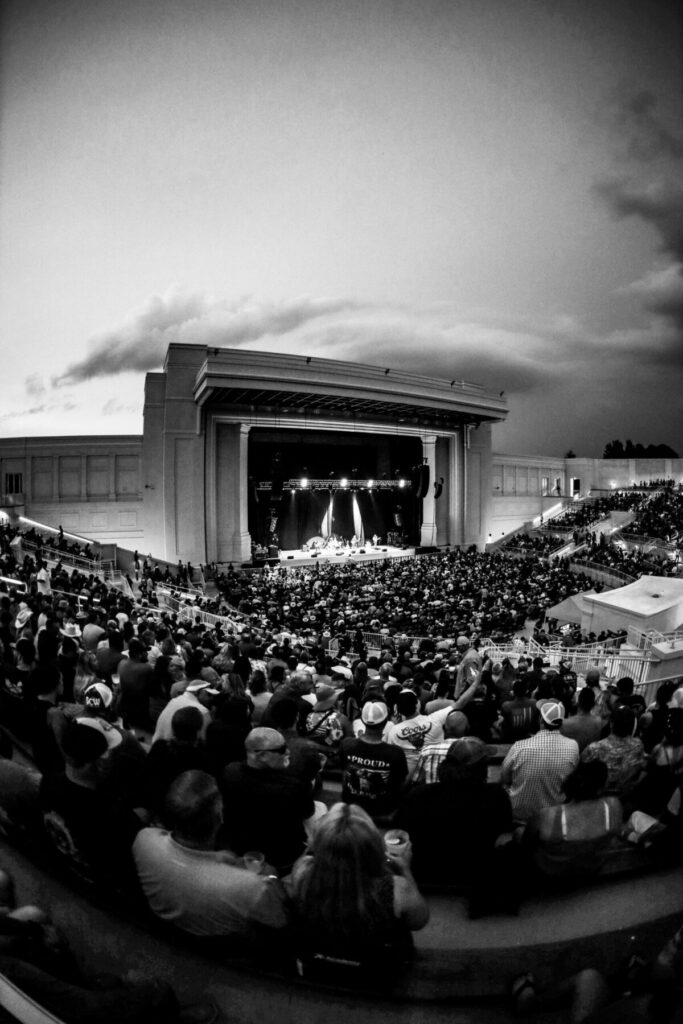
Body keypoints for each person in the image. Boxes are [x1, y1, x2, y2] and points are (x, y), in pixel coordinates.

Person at [133, 770, 288, 945]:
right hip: (229, 955)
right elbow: (280, 923)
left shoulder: (144, 839)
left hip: (164, 935)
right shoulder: (253, 887)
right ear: (220, 816)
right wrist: (272, 876)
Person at [288, 803, 428, 981]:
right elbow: (419, 921)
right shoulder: (397, 888)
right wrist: (406, 870)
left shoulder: (301, 871)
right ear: (373, 847)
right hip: (375, 968)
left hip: (323, 957)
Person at [394, 737, 515, 913]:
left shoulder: (419, 795)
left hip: (426, 868)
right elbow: (504, 834)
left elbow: (399, 829)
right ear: (482, 769)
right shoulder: (496, 796)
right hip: (474, 870)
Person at [221, 727, 315, 872]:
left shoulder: (230, 772)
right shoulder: (293, 787)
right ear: (263, 755)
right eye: (282, 749)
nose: (288, 752)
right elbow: (307, 812)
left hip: (240, 848)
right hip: (283, 858)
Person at [523, 760, 624, 884]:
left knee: (519, 832)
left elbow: (526, 843)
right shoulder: (613, 805)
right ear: (601, 787)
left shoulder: (549, 814)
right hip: (593, 866)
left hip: (551, 872)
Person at [500, 700, 580, 824]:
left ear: (541, 720)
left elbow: (504, 778)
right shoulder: (573, 746)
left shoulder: (520, 746)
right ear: (561, 723)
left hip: (520, 815)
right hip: (554, 816)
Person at [339, 701, 408, 820]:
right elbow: (401, 783)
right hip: (382, 808)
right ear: (386, 722)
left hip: (351, 803)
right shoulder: (395, 753)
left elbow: (344, 773)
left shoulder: (346, 744)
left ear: (362, 720)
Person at [561, 685, 603, 752]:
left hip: (572, 757)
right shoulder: (599, 721)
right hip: (589, 757)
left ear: (578, 702)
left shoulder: (565, 723)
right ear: (593, 704)